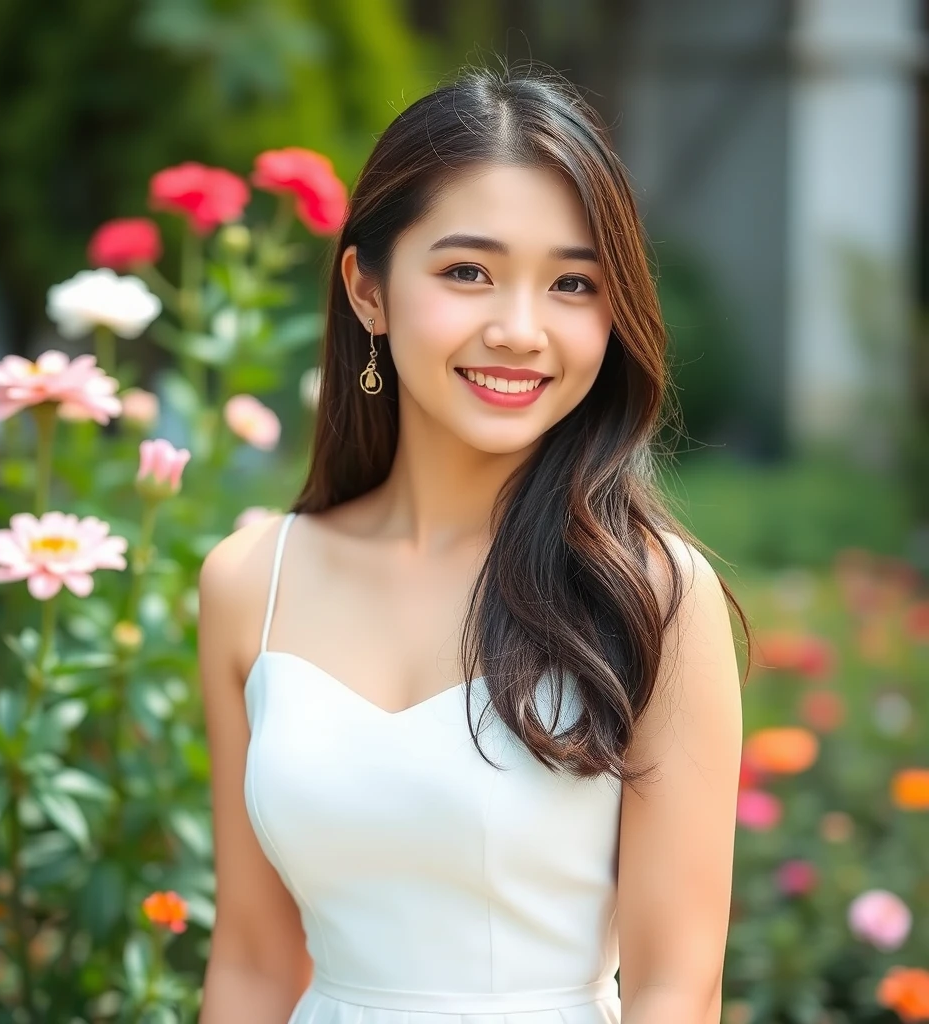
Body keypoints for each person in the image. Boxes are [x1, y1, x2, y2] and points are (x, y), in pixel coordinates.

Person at [198, 60, 750, 1024]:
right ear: (367, 291)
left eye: (574, 283)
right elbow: (251, 959)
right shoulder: (254, 581)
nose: (521, 329)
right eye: (467, 272)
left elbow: (677, 987)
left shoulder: (652, 594)